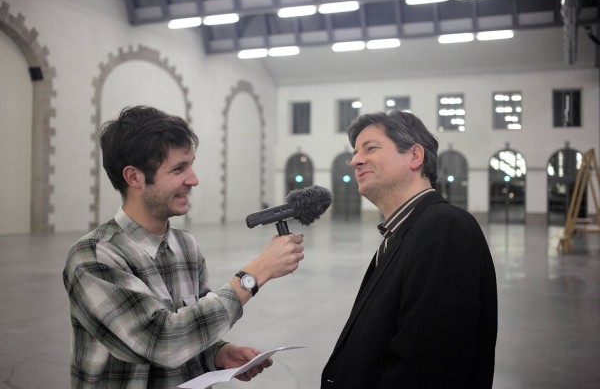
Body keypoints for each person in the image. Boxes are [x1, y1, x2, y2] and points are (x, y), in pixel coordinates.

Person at [63, 105, 305, 388]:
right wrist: (254, 274)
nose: (194, 179)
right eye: (179, 168)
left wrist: (217, 352)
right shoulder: (93, 257)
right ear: (134, 177)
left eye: (191, 164)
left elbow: (192, 327)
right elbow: (162, 343)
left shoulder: (186, 245)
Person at [321, 110, 497, 388]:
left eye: (371, 148)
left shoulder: (445, 228)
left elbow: (429, 368)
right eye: (355, 153)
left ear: (415, 156)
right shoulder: (404, 231)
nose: (355, 161)